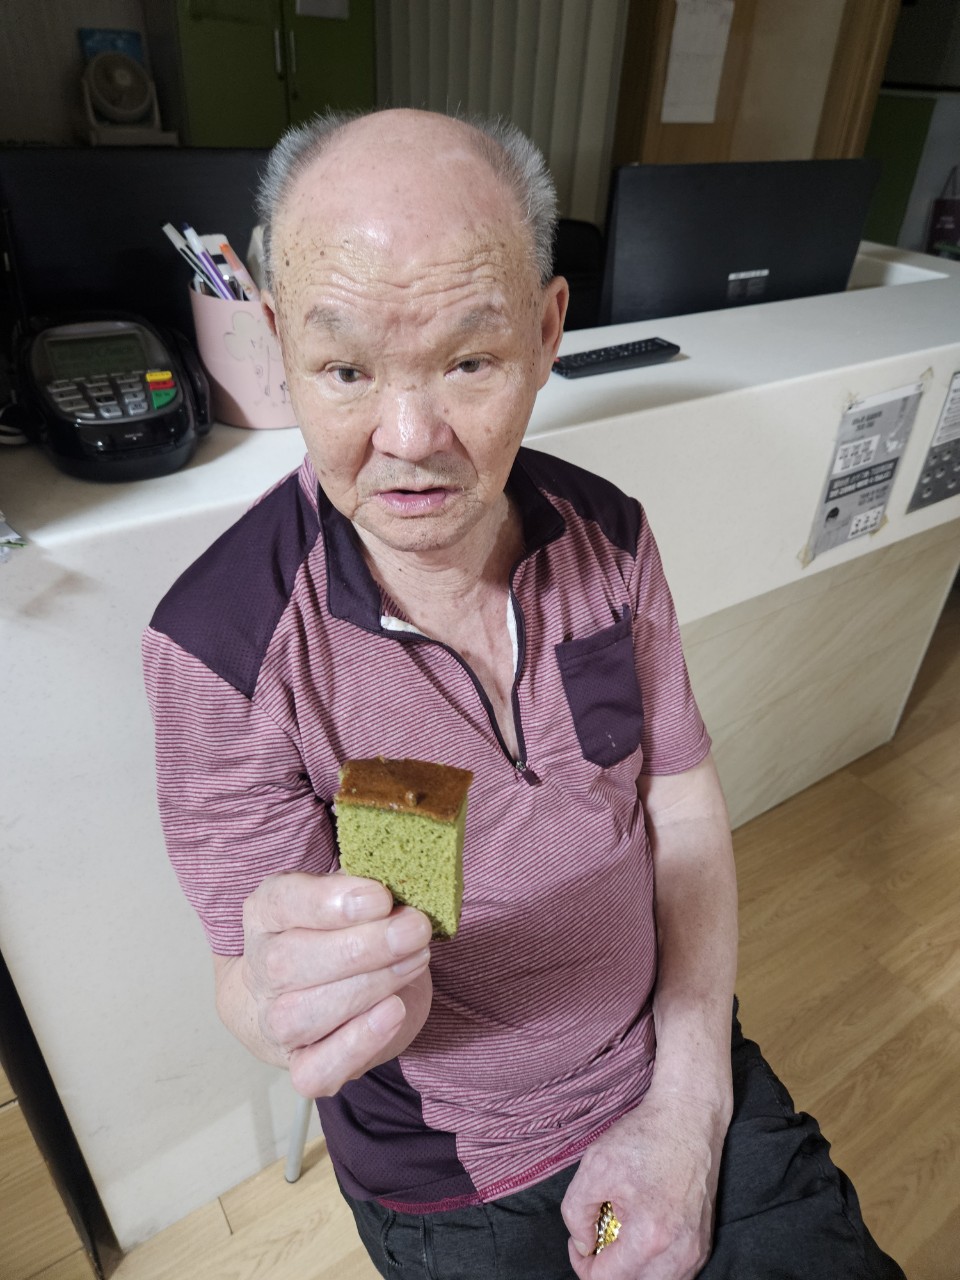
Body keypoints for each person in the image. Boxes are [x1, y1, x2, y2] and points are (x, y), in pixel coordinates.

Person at [143, 108, 905, 1280]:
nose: (410, 439)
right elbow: (245, 979)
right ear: (281, 340)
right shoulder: (221, 646)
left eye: (468, 361)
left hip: (673, 1060)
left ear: (548, 332)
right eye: (345, 370)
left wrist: (688, 1104)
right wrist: (291, 1001)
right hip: (460, 1173)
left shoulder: (610, 537)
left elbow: (681, 807)